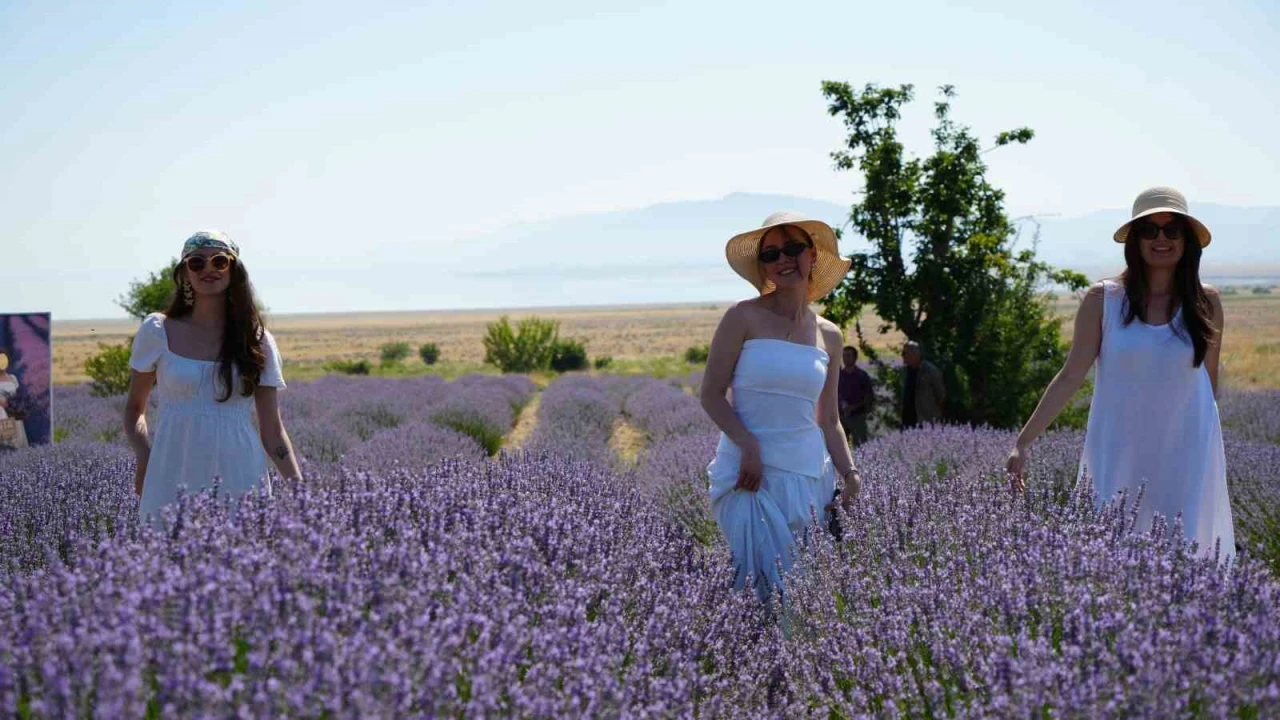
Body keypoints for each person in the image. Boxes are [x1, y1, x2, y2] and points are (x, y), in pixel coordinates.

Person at [1006, 187, 1235, 560]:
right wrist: (1023, 442)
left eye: (1172, 229)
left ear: (1187, 241)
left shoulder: (1206, 302)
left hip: (1186, 451)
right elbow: (1070, 376)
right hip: (1119, 449)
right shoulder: (1105, 300)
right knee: (1110, 553)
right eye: (1150, 230)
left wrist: (1207, 455)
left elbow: (1208, 385)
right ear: (1135, 241)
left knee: (1187, 556)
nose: (1161, 239)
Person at [701, 211, 860, 602]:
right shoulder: (743, 317)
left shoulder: (830, 335)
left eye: (792, 248)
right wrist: (748, 445)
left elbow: (829, 420)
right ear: (763, 266)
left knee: (802, 596)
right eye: (771, 254)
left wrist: (850, 474)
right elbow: (710, 394)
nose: (783, 259)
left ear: (812, 256)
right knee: (758, 592)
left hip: (809, 479)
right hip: (750, 476)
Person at [123, 230, 302, 523]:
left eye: (220, 261)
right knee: (162, 562)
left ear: (234, 270)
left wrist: (299, 491)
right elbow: (134, 410)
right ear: (185, 273)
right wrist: (144, 457)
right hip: (171, 471)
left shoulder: (256, 341)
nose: (209, 269)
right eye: (197, 263)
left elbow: (272, 430)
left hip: (239, 473)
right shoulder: (157, 331)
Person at [900, 341, 945, 428]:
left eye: (904, 353)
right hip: (907, 420)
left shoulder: (930, 370)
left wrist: (932, 413)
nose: (902, 356)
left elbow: (941, 396)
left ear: (914, 354)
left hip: (925, 419)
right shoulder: (905, 371)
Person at [838, 345, 874, 446]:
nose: (845, 358)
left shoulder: (862, 376)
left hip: (858, 416)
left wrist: (854, 407)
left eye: (848, 355)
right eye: (844, 356)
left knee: (860, 446)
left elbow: (869, 397)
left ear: (855, 358)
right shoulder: (839, 376)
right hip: (841, 417)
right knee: (840, 447)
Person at [0, 349, 29, 449]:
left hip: (13, 413)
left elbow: (18, 395)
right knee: (6, 443)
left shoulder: (12, 378)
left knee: (18, 442)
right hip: (1, 414)